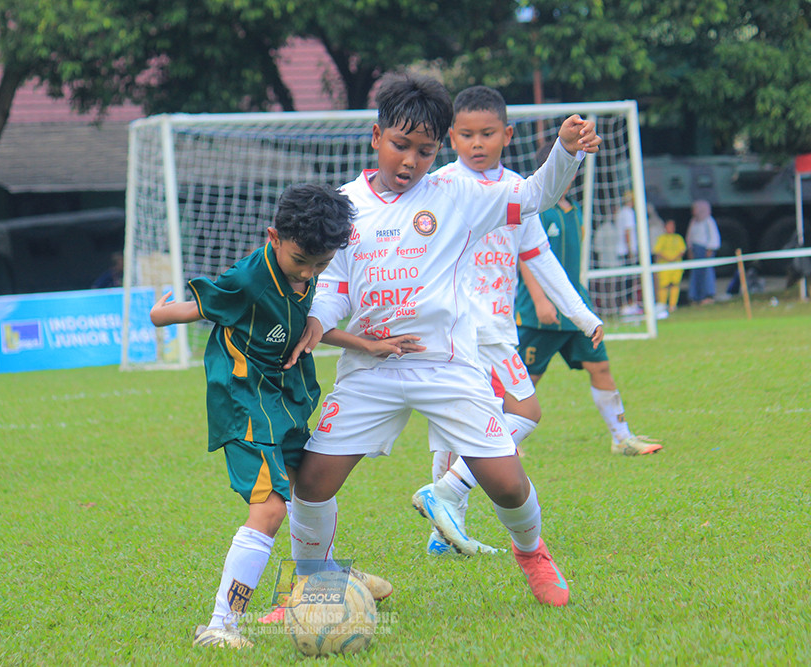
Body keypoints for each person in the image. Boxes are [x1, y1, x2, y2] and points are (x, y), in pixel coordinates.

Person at [283, 71, 600, 608]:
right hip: (369, 371)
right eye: (401, 146)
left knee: (505, 483)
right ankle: (312, 583)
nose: (410, 162)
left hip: (446, 367)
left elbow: (533, 195)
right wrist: (319, 320)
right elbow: (335, 285)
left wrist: (565, 153)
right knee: (312, 483)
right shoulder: (344, 204)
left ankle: (533, 554)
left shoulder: (459, 192)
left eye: (425, 151)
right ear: (377, 135)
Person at [150, 184, 400, 649]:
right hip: (245, 403)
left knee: (310, 485)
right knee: (268, 509)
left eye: (320, 265)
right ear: (274, 237)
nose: (308, 273)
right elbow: (200, 308)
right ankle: (221, 625)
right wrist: (159, 315)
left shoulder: (306, 274)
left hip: (284, 400)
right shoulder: (248, 279)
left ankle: (323, 579)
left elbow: (306, 329)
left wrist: (365, 344)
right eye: (301, 260)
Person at [425, 86, 603, 556]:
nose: (477, 143)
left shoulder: (518, 193)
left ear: (507, 134)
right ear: (451, 138)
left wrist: (582, 314)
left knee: (458, 423)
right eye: (466, 135)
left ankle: (443, 532)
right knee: (524, 411)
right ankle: (446, 495)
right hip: (465, 328)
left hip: (496, 327)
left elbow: (540, 259)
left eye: (487, 134)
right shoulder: (440, 186)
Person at [516, 144, 662, 457]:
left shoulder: (573, 210)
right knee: (525, 380)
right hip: (538, 312)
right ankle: (501, 443)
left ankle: (621, 437)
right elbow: (525, 257)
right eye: (563, 170)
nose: (569, 177)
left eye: (572, 171)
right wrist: (541, 301)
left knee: (601, 367)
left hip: (575, 310)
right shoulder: (535, 209)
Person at [686, 199, 720, 304]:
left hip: (705, 250)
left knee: (707, 272)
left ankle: (708, 295)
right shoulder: (694, 221)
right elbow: (690, 236)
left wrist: (710, 248)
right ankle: (696, 296)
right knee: (696, 274)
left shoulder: (708, 220)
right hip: (696, 250)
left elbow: (713, 235)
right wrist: (690, 249)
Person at [615, 190, 643, 315]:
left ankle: (626, 304)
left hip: (620, 250)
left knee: (625, 278)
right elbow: (628, 232)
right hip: (627, 250)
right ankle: (629, 304)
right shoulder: (628, 212)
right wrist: (630, 249)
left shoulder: (620, 212)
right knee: (630, 279)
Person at [652, 218, 686, 312]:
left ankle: (672, 306)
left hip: (676, 266)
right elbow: (657, 251)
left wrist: (674, 258)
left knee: (675, 285)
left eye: (672, 226)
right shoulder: (661, 238)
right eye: (669, 226)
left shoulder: (678, 238)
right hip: (664, 266)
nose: (671, 228)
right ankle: (662, 305)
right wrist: (667, 258)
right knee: (663, 286)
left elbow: (682, 250)